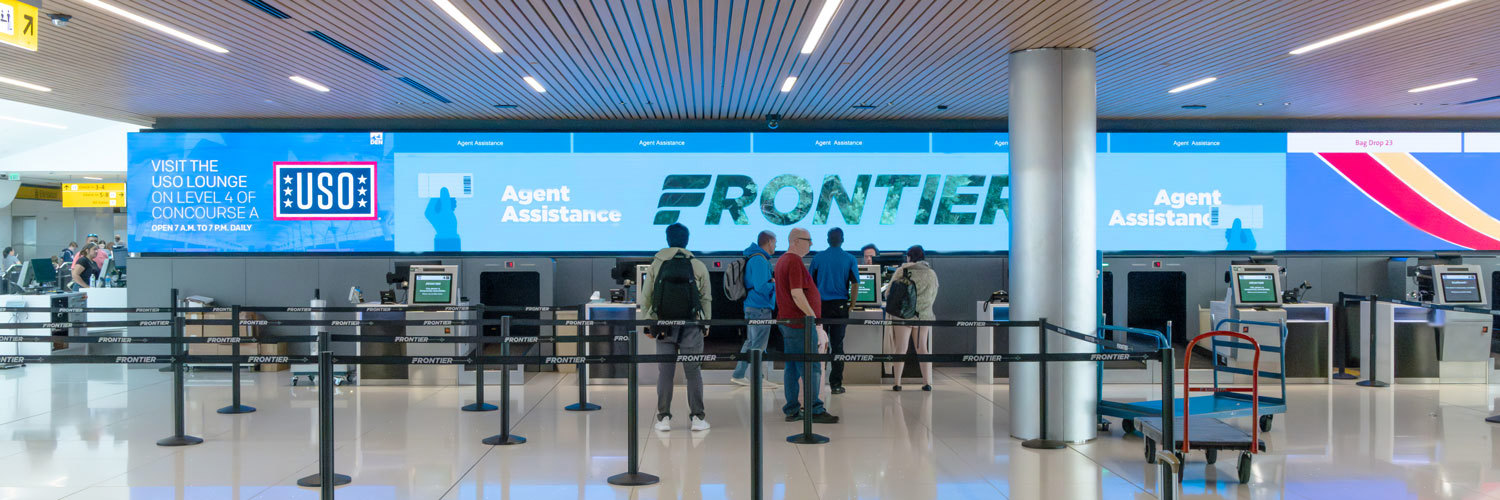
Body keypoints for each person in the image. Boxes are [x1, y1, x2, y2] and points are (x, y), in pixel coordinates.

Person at [639, 223, 713, 432]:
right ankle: (697, 417)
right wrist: (706, 323)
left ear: (668, 239)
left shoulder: (656, 264)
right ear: (687, 240)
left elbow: (646, 297)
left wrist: (648, 323)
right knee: (693, 372)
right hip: (691, 326)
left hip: (664, 325)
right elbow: (706, 297)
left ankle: (663, 418)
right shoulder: (697, 264)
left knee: (665, 373)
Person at [776, 227, 837, 423]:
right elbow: (796, 293)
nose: (811, 243)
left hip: (789, 322)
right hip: (800, 324)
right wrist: (812, 317)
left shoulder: (782, 261)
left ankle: (792, 408)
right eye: (808, 240)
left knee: (792, 367)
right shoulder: (793, 261)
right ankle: (814, 409)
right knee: (811, 367)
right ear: (795, 241)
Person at [809, 228, 859, 394]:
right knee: (838, 345)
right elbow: (855, 284)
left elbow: (811, 284)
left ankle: (818, 382)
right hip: (840, 306)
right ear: (842, 239)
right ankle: (836, 385)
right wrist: (851, 304)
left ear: (827, 239)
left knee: (820, 344)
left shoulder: (818, 258)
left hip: (820, 306)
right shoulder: (850, 258)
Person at [888, 245, 940, 391]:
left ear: (909, 257)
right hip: (924, 316)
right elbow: (933, 295)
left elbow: (889, 293)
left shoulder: (902, 270)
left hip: (903, 315)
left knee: (900, 348)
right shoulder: (931, 274)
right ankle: (927, 382)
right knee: (923, 348)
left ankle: (897, 383)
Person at [731, 230, 779, 387]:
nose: (776, 246)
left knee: (751, 342)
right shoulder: (759, 260)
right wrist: (774, 283)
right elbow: (761, 287)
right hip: (760, 307)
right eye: (775, 242)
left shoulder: (754, 258)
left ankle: (738, 375)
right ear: (769, 242)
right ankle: (758, 379)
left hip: (753, 306)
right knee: (758, 345)